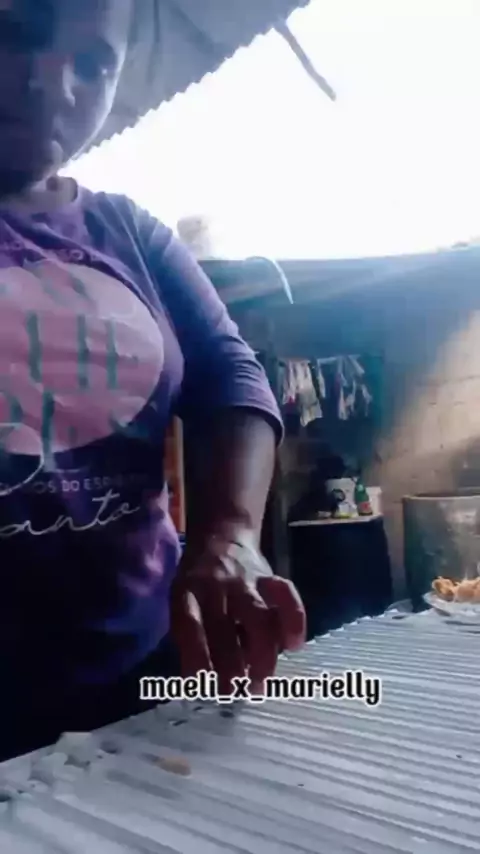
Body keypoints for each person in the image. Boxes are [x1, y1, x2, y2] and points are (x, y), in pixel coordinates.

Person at [0, 0, 305, 760]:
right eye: (14, 33)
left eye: (93, 63)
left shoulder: (128, 233)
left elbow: (230, 377)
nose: (54, 85)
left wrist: (229, 534)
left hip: (152, 673)